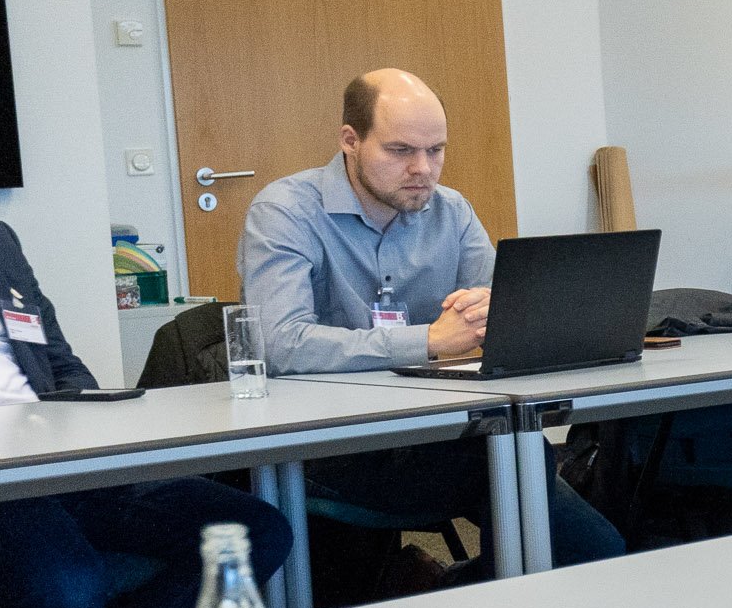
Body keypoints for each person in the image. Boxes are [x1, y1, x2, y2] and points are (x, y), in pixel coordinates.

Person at [0, 65, 289, 608]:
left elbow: (58, 363)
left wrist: (94, 433)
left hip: (55, 465)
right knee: (69, 586)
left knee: (254, 528)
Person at [238, 69, 622, 582]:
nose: (423, 169)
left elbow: (502, 312)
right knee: (532, 487)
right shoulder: (285, 211)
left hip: (438, 431)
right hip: (334, 446)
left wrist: (497, 312)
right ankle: (424, 593)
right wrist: (429, 340)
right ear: (350, 141)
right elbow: (279, 344)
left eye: (436, 150)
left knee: (587, 544)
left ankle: (432, 590)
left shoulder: (452, 210)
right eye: (400, 151)